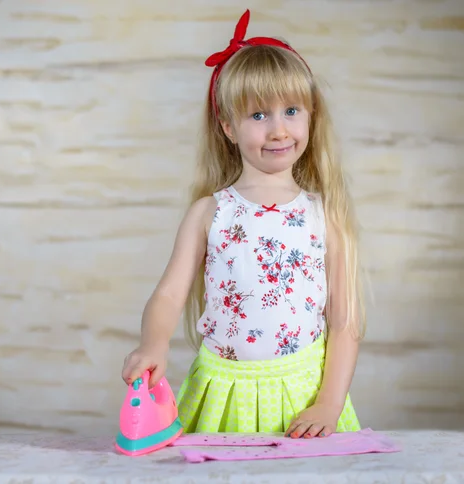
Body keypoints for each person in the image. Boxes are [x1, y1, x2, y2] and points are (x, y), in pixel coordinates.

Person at [121, 9, 366, 439]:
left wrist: (328, 403)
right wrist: (153, 344)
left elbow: (344, 321)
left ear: (312, 116)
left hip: (305, 392)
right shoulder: (210, 212)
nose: (278, 130)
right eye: (258, 116)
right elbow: (170, 292)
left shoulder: (322, 214)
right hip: (223, 390)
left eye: (291, 110)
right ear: (227, 127)